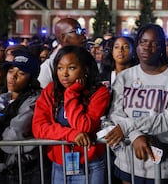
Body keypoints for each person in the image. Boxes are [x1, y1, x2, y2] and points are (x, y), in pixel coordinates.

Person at [104, 23, 168, 183]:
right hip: (128, 160)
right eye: (143, 42)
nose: (147, 47)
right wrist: (135, 135)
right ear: (137, 45)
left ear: (162, 47)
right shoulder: (125, 76)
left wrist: (128, 127)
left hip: (162, 162)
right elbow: (115, 113)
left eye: (154, 43)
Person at [32, 45, 110, 183]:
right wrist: (71, 135)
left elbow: (84, 127)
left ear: (85, 69)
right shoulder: (51, 90)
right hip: (59, 165)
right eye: (60, 68)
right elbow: (39, 127)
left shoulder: (99, 92)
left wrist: (71, 93)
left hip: (90, 165)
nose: (64, 73)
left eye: (72, 68)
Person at [0, 51, 47, 184]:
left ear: (31, 79)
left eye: (21, 73)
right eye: (11, 70)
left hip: (24, 171)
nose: (13, 76)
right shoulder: (0, 98)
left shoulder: (36, 100)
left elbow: (15, 135)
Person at [37, 18, 87, 88]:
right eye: (78, 31)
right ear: (63, 37)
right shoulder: (48, 67)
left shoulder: (86, 59)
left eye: (83, 31)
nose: (83, 35)